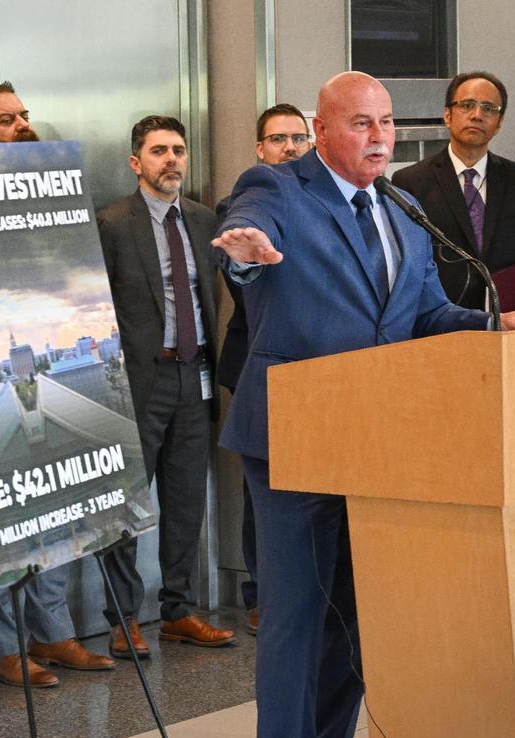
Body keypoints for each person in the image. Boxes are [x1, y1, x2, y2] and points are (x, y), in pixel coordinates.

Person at [212, 71, 515, 738]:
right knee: (298, 621)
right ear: (323, 129)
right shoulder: (279, 190)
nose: (380, 137)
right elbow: (248, 232)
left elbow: (422, 315)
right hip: (295, 442)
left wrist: (491, 323)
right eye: (362, 123)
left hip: (380, 449)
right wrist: (245, 253)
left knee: (356, 626)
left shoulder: (399, 207)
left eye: (387, 123)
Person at [0, 82, 116, 687]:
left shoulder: (52, 191)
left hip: (47, 363)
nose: (24, 125)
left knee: (57, 503)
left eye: (26, 116)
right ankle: (2, 648)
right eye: (8, 120)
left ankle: (53, 635)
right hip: (0, 376)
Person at [97, 115, 234, 660]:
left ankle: (178, 610)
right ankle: (122, 619)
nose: (171, 160)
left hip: (194, 377)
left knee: (185, 500)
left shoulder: (204, 221)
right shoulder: (111, 223)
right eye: (159, 151)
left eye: (178, 150)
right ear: (137, 163)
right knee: (126, 506)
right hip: (138, 382)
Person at [218, 103, 312, 637]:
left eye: (299, 138)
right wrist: (249, 253)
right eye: (278, 139)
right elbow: (242, 249)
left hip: (320, 372)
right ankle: (260, 592)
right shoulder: (249, 200)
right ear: (260, 148)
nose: (290, 147)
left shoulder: (321, 203)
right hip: (259, 364)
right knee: (266, 490)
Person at [391, 71, 515, 317]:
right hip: (442, 327)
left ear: (499, 122)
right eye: (467, 105)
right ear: (448, 115)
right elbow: (407, 265)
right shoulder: (411, 182)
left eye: (489, 109)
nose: (477, 115)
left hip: (513, 325)